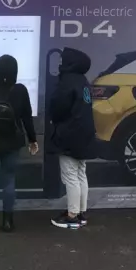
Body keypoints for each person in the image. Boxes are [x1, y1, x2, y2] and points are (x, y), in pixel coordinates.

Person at [0, 55, 38, 233]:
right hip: (12, 142)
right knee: (9, 180)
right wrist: (32, 139)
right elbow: (26, 117)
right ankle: (8, 221)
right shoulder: (20, 90)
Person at [49, 48, 97, 230]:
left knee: (70, 176)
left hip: (69, 134)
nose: (60, 63)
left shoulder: (67, 81)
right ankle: (81, 212)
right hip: (83, 134)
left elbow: (58, 107)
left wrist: (55, 119)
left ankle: (72, 216)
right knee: (80, 173)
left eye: (62, 60)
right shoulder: (82, 81)